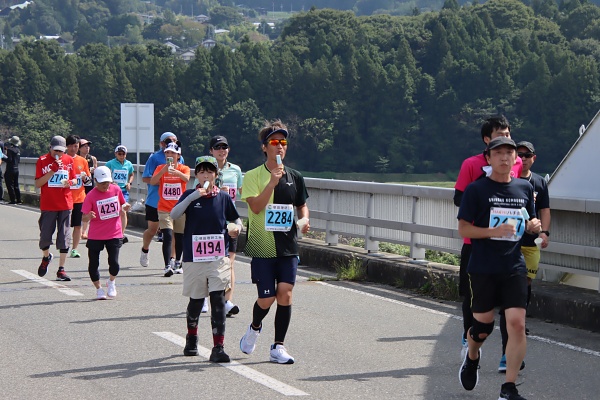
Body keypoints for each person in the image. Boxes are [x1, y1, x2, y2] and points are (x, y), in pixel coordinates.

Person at [457, 137, 541, 400]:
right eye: (499, 153)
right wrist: (493, 231)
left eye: (509, 153)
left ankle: (509, 388)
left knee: (517, 324)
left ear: (515, 158)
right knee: (482, 328)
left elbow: (528, 223)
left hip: (514, 266)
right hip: (483, 267)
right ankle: (472, 357)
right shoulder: (476, 190)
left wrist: (535, 227)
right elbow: (464, 229)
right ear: (489, 158)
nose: (505, 157)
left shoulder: (524, 188)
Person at [239, 120, 310, 365]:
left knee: (285, 294)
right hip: (262, 244)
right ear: (264, 147)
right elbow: (256, 207)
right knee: (267, 298)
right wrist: (271, 183)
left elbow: (301, 205)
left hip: (288, 245)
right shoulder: (252, 176)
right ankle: (254, 327)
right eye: (274, 142)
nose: (280, 146)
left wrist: (304, 219)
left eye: (283, 142)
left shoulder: (295, 176)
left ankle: (278, 346)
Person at [453, 115, 523, 360]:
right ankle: (469, 341)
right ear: (487, 140)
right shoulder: (471, 164)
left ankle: (507, 353)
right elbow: (459, 198)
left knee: (511, 308)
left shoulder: (515, 162)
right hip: (477, 243)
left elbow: (519, 192)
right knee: (473, 299)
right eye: (499, 135)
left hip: (508, 246)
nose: (505, 139)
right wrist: (486, 199)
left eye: (508, 134)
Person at [170, 156, 242, 363]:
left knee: (218, 299)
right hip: (194, 256)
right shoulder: (190, 195)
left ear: (216, 175)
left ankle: (218, 347)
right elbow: (174, 214)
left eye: (210, 171)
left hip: (218, 256)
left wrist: (237, 228)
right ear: (197, 176)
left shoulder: (223, 197)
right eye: (201, 172)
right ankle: (192, 337)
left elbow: (235, 218)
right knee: (196, 300)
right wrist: (193, 197)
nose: (206, 175)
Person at [496, 141, 551, 372]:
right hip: (511, 245)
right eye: (519, 155)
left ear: (533, 158)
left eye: (526, 155)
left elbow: (544, 209)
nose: (523, 159)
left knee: (525, 284)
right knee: (510, 289)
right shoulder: (509, 181)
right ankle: (507, 346)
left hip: (530, 244)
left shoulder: (538, 183)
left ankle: (518, 315)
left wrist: (544, 232)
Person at [82, 166, 130, 299]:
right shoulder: (91, 196)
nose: (105, 185)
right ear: (95, 181)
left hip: (114, 232)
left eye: (107, 182)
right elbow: (83, 217)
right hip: (96, 234)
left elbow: (122, 204)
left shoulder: (116, 189)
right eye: (102, 183)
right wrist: (88, 216)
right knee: (93, 264)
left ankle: (111, 281)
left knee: (114, 263)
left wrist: (125, 207)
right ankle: (99, 289)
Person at [35, 135, 77, 281]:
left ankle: (61, 269)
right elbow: (38, 183)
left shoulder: (69, 160)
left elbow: (74, 179)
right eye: (55, 150)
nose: (58, 153)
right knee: (45, 236)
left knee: (64, 236)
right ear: (50, 148)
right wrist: (52, 171)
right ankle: (46, 257)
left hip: (65, 203)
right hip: (48, 204)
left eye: (61, 151)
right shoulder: (42, 160)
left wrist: (70, 182)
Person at [140, 132, 184, 268]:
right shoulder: (154, 158)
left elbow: (183, 176)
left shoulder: (180, 158)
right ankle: (145, 249)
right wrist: (164, 181)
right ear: (162, 143)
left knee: (172, 233)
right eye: (168, 141)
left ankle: (172, 259)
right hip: (155, 200)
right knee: (152, 230)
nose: (171, 143)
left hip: (172, 202)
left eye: (174, 141)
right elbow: (145, 178)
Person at [150, 142, 190, 277]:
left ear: (178, 155)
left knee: (179, 236)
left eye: (172, 153)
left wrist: (176, 172)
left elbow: (187, 179)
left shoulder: (184, 168)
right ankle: (167, 265)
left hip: (180, 207)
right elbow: (153, 181)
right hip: (164, 208)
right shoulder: (160, 168)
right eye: (167, 152)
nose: (169, 155)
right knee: (167, 234)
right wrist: (164, 171)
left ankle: (178, 262)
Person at [66, 135, 91, 258]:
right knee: (64, 225)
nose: (73, 149)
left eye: (75, 146)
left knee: (77, 225)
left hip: (79, 198)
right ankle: (64, 246)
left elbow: (88, 181)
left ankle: (74, 249)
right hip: (65, 197)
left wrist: (85, 178)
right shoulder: (62, 160)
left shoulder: (83, 161)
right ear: (66, 146)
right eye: (70, 146)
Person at [105, 145, 135, 243]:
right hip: (112, 191)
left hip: (123, 191)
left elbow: (132, 174)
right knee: (112, 212)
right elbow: (104, 174)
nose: (121, 156)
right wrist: (110, 182)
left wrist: (129, 182)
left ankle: (121, 234)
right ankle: (110, 231)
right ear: (115, 154)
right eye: (119, 154)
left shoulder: (128, 164)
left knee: (123, 211)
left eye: (123, 154)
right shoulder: (110, 163)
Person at [79, 138, 97, 239]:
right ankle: (77, 228)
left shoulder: (92, 159)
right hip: (78, 186)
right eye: (84, 146)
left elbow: (96, 172)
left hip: (89, 185)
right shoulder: (75, 158)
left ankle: (84, 231)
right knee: (78, 209)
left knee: (88, 208)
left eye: (88, 146)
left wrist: (94, 171)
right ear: (79, 148)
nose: (87, 148)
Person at [4, 136, 22, 205]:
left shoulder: (10, 150)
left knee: (9, 185)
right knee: (16, 185)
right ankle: (19, 200)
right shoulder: (18, 150)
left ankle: (12, 200)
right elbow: (18, 160)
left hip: (10, 169)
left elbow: (9, 160)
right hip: (16, 169)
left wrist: (3, 157)